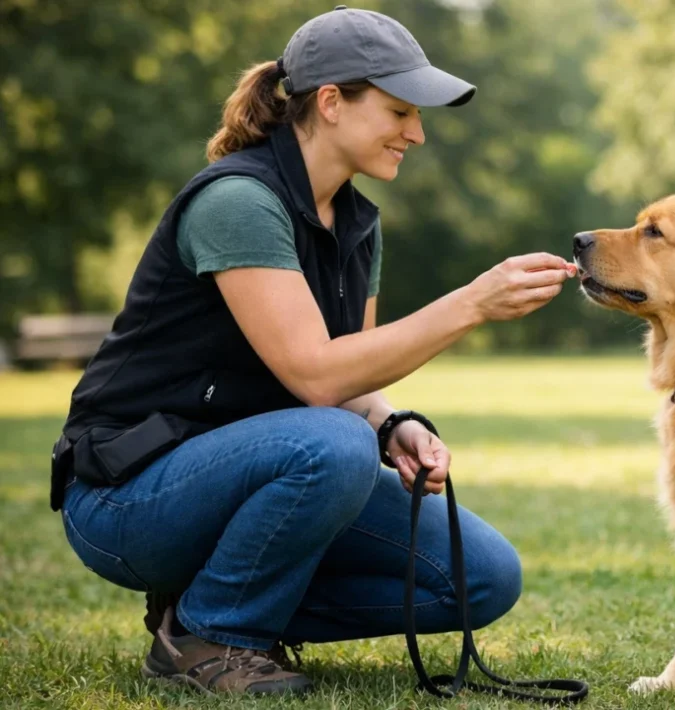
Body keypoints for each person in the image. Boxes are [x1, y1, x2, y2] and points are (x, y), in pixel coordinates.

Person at [49, 4, 575, 695]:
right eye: (398, 112)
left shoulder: (357, 222)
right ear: (330, 102)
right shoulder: (238, 201)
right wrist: (472, 303)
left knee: (482, 578)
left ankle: (213, 606)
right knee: (331, 442)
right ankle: (208, 637)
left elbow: (349, 370)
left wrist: (391, 422)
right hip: (127, 498)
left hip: (261, 471)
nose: (416, 133)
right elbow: (315, 377)